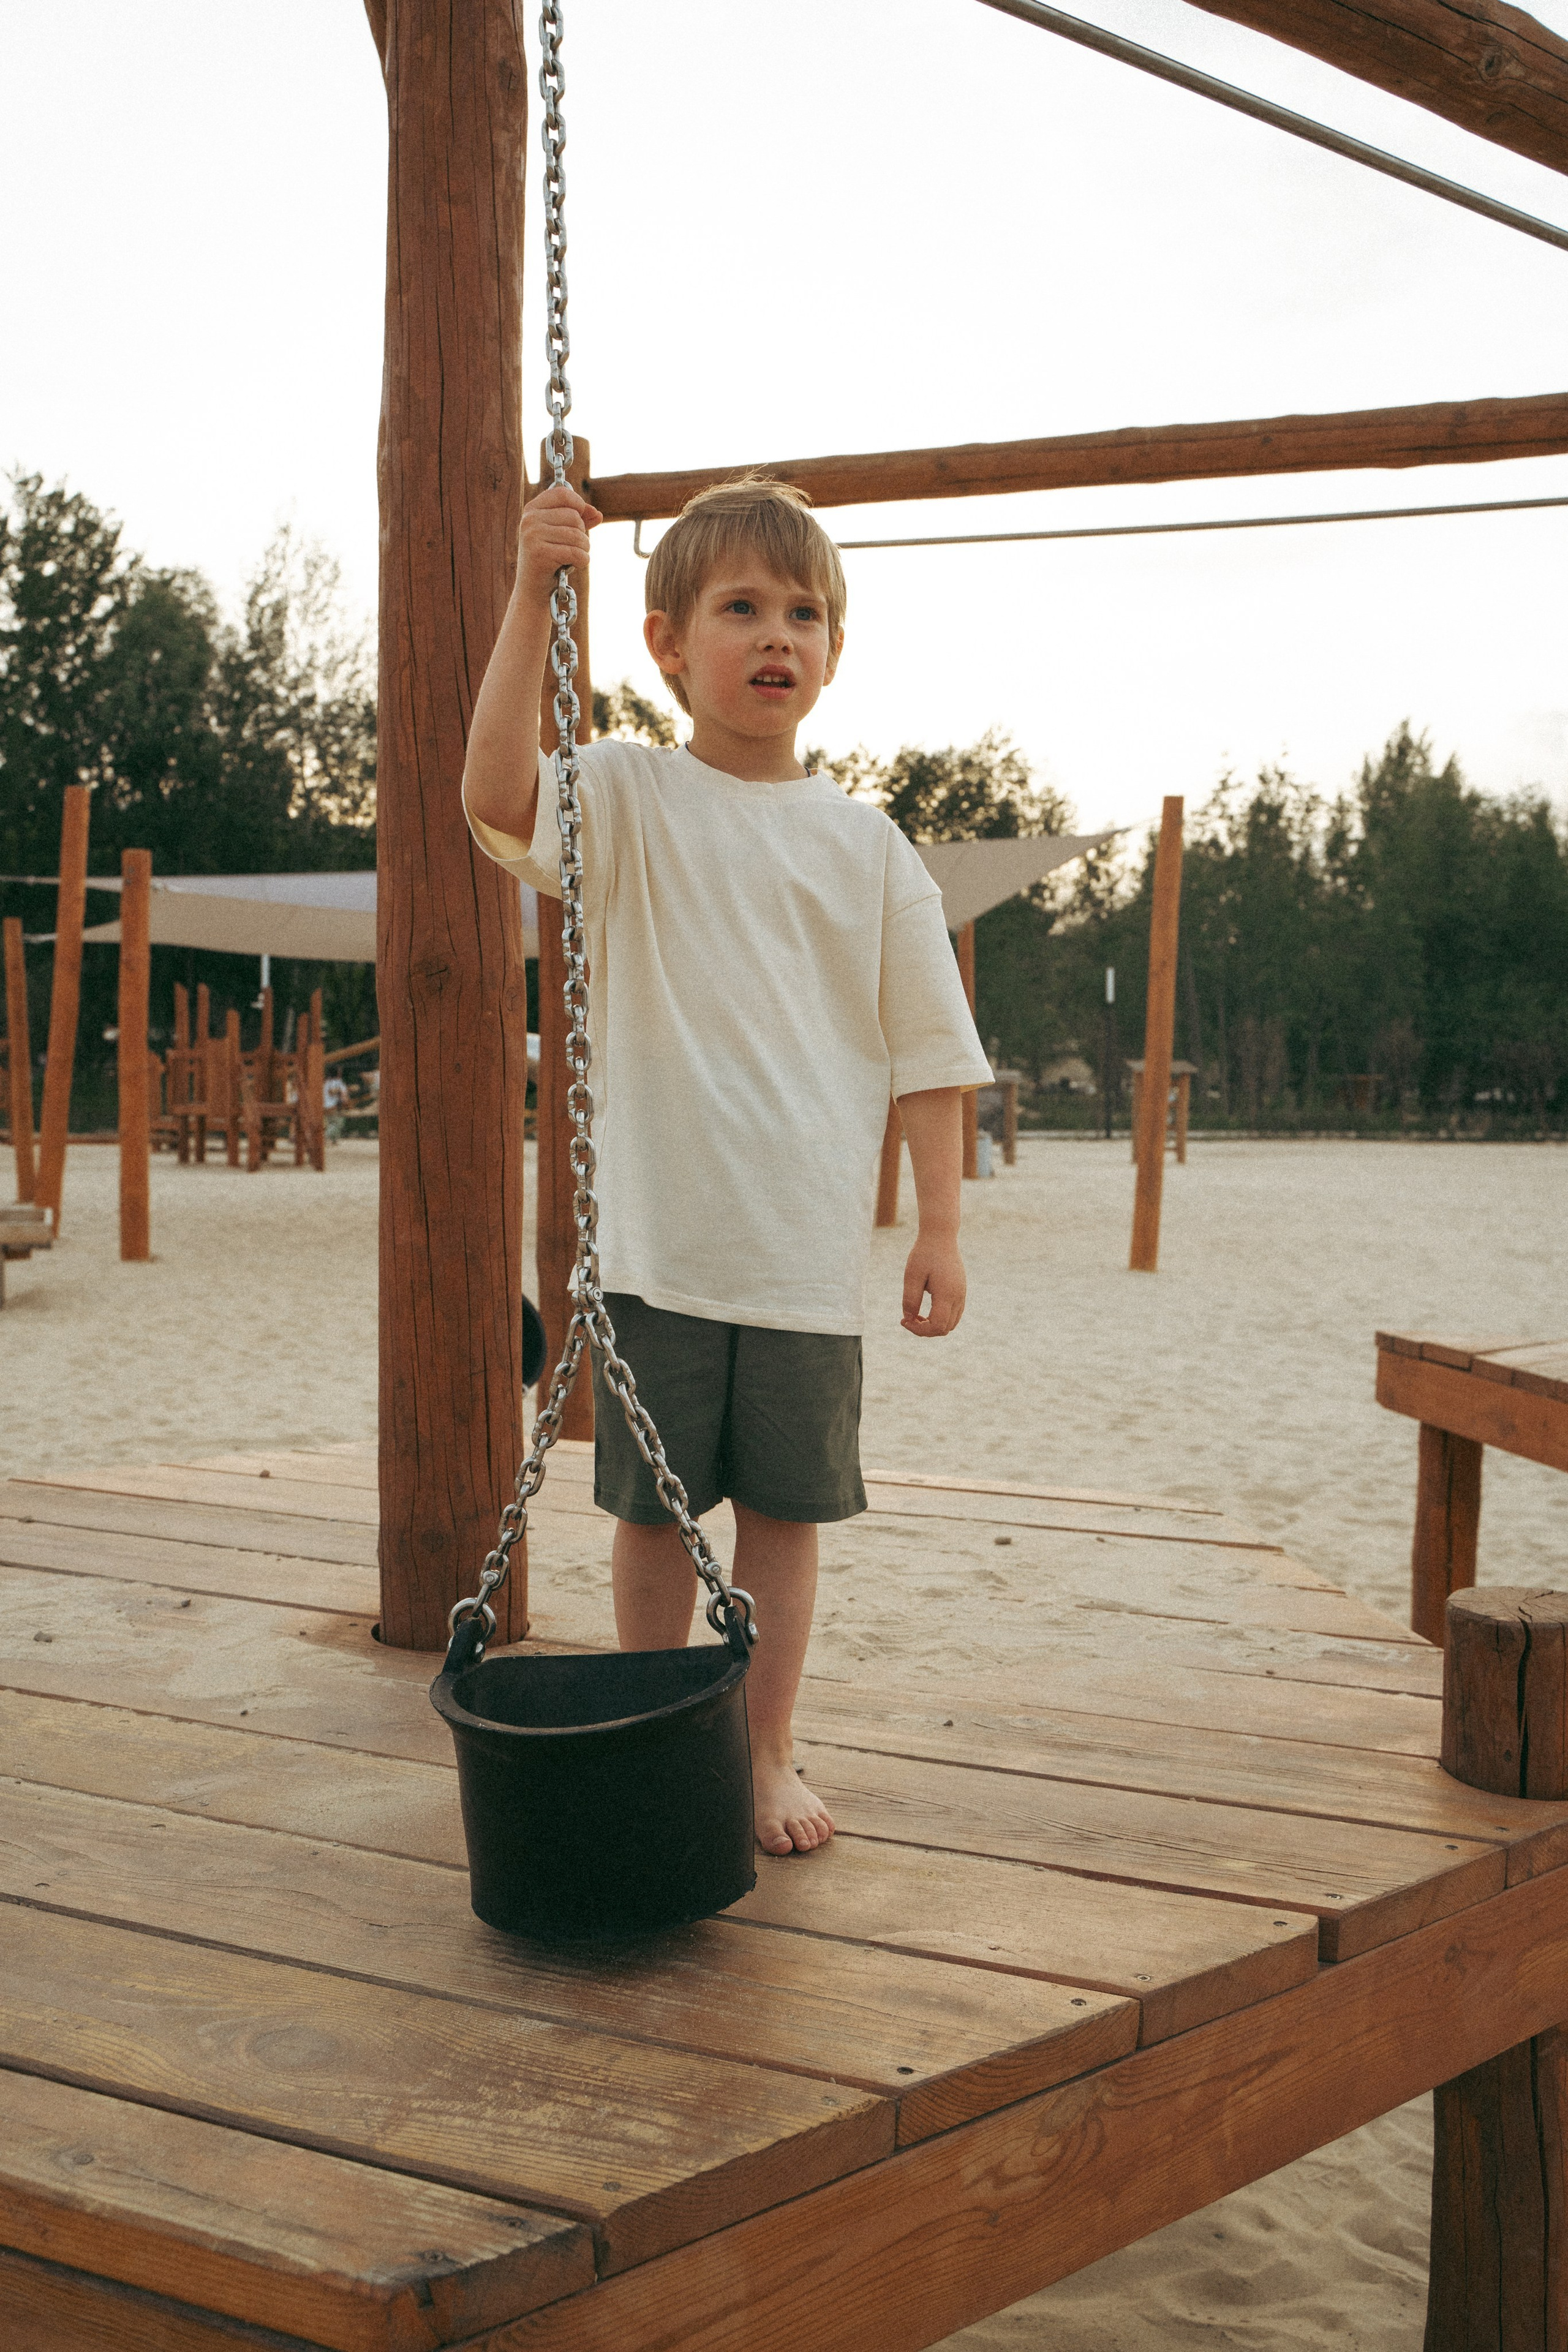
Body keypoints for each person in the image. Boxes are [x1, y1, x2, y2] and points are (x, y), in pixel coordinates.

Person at [461, 475, 991, 1856]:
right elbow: (492, 791)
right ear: (665, 645)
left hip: (803, 1256)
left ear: (831, 652)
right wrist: (533, 591)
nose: (778, 635)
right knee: (653, 1521)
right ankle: (662, 1736)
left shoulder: (868, 847)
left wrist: (938, 1228)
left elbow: (931, 1053)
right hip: (660, 1246)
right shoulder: (627, 797)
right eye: (741, 608)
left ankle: (761, 1752)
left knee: (784, 1521)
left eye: (804, 613)